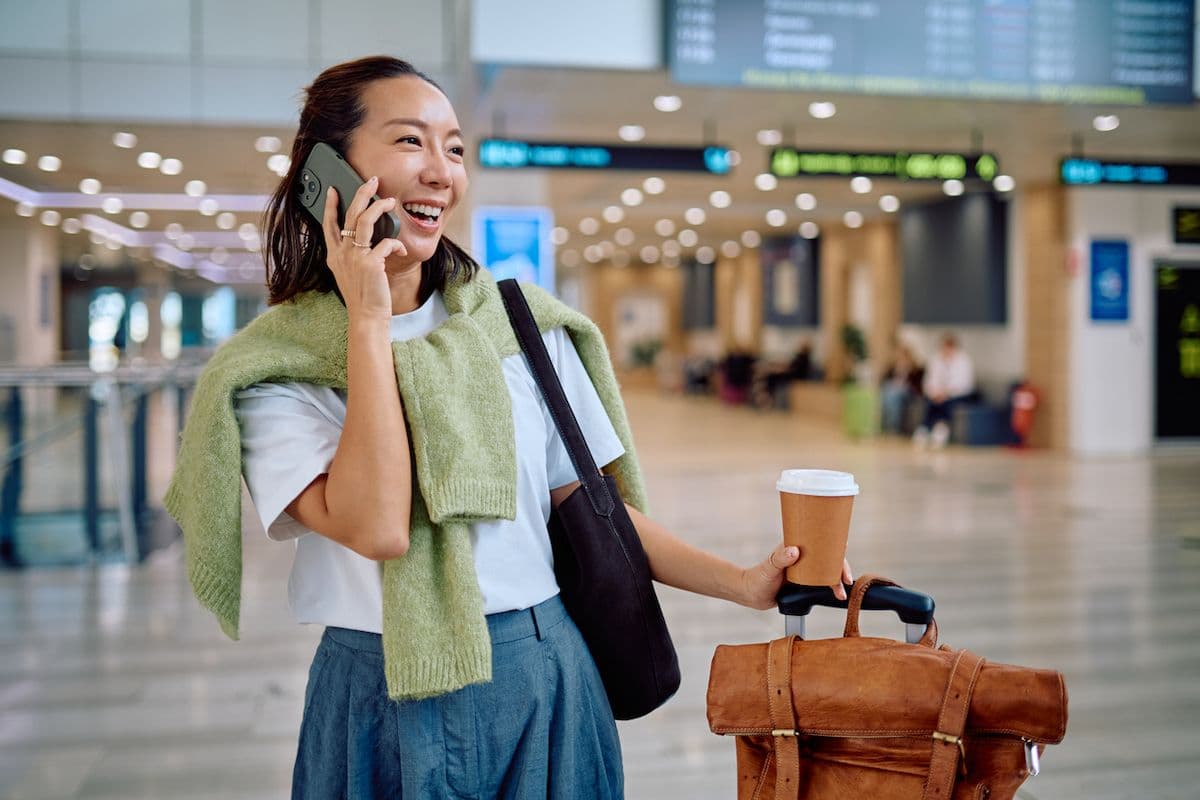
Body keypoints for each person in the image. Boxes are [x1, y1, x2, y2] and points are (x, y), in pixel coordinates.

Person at [164, 56, 853, 800]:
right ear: (327, 170)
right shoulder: (276, 366)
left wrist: (745, 584)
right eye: (409, 142)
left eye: (454, 148)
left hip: (544, 665)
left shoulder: (519, 326)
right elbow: (377, 526)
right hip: (379, 686)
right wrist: (369, 317)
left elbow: (586, 508)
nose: (440, 171)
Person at [914, 333, 975, 448]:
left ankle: (940, 428)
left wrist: (946, 393)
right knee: (932, 402)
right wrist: (934, 392)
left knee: (946, 403)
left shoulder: (963, 361)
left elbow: (963, 384)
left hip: (959, 394)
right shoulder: (936, 359)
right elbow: (929, 381)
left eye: (948, 348)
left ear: (953, 348)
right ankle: (926, 428)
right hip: (938, 393)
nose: (945, 351)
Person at [754, 339, 812, 409]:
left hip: (795, 376)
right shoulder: (803, 356)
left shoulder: (802, 357)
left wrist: (780, 370)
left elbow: (793, 368)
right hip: (793, 375)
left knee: (771, 377)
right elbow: (792, 366)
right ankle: (766, 397)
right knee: (770, 377)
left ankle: (767, 399)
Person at [879, 342, 922, 434]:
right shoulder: (892, 368)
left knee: (892, 395)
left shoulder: (915, 370)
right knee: (889, 394)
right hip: (893, 392)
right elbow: (884, 379)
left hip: (908, 393)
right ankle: (888, 426)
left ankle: (892, 427)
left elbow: (916, 386)